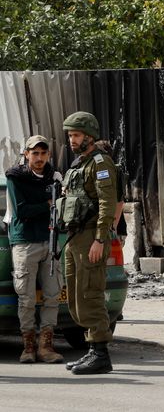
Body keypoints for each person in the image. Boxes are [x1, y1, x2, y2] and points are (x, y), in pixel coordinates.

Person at [58, 111, 118, 375]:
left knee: (91, 293)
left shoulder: (100, 163)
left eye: (77, 135)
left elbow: (107, 204)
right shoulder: (78, 164)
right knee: (76, 296)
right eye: (70, 135)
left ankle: (101, 353)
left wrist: (99, 239)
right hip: (74, 237)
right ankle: (92, 350)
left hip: (91, 237)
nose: (72, 139)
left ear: (89, 136)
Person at [5, 135, 64, 364]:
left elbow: (61, 205)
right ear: (26, 154)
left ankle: (46, 346)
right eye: (34, 153)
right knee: (26, 298)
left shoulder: (54, 177)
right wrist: (48, 203)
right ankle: (28, 346)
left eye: (43, 153)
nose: (39, 158)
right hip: (25, 242)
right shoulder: (15, 177)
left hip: (49, 240)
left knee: (52, 295)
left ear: (48, 154)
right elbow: (21, 211)